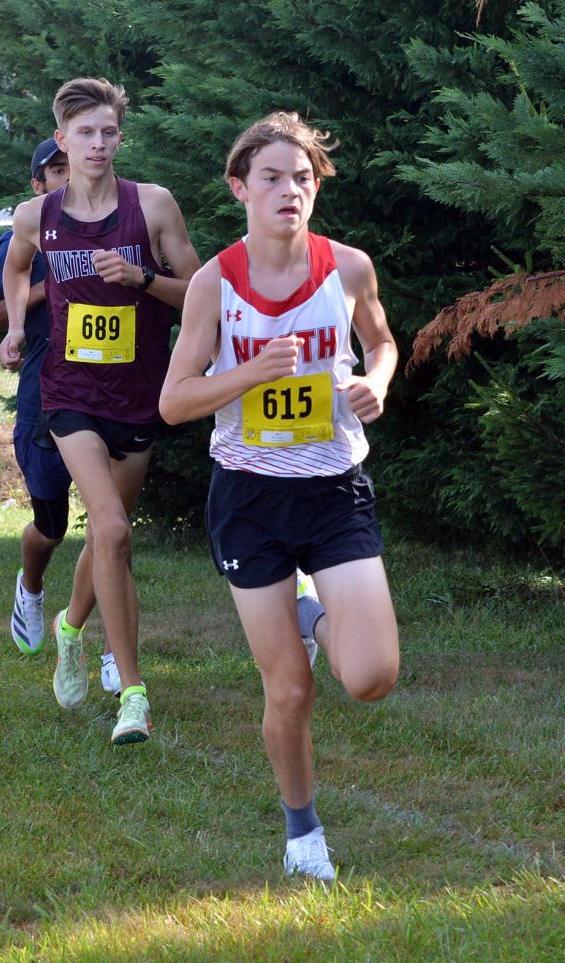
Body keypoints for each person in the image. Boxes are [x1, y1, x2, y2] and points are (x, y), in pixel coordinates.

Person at [159, 112, 400, 879]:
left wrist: (376, 383)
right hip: (250, 498)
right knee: (290, 687)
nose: (289, 190)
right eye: (272, 178)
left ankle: (309, 610)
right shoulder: (214, 282)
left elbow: (384, 342)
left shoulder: (350, 268)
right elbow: (175, 400)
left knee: (370, 676)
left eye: (303, 178)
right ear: (241, 188)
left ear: (317, 188)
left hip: (334, 493)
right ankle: (303, 830)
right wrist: (253, 373)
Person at [0, 78, 201, 744]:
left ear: (120, 137)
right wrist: (15, 327)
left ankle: (70, 627)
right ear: (63, 140)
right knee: (112, 529)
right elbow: (18, 264)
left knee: (107, 538)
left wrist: (142, 279)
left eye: (108, 131)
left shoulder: (154, 207)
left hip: (138, 395)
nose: (97, 143)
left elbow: (198, 295)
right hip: (70, 394)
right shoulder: (38, 216)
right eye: (84, 133)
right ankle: (135, 694)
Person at [0, 139, 127, 685]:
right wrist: (44, 288)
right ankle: (31, 589)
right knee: (52, 526)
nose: (65, 176)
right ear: (37, 185)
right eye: (54, 170)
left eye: (68, 167)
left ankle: (113, 651)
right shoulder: (27, 236)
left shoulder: (121, 224)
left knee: (112, 530)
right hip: (46, 401)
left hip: (111, 397)